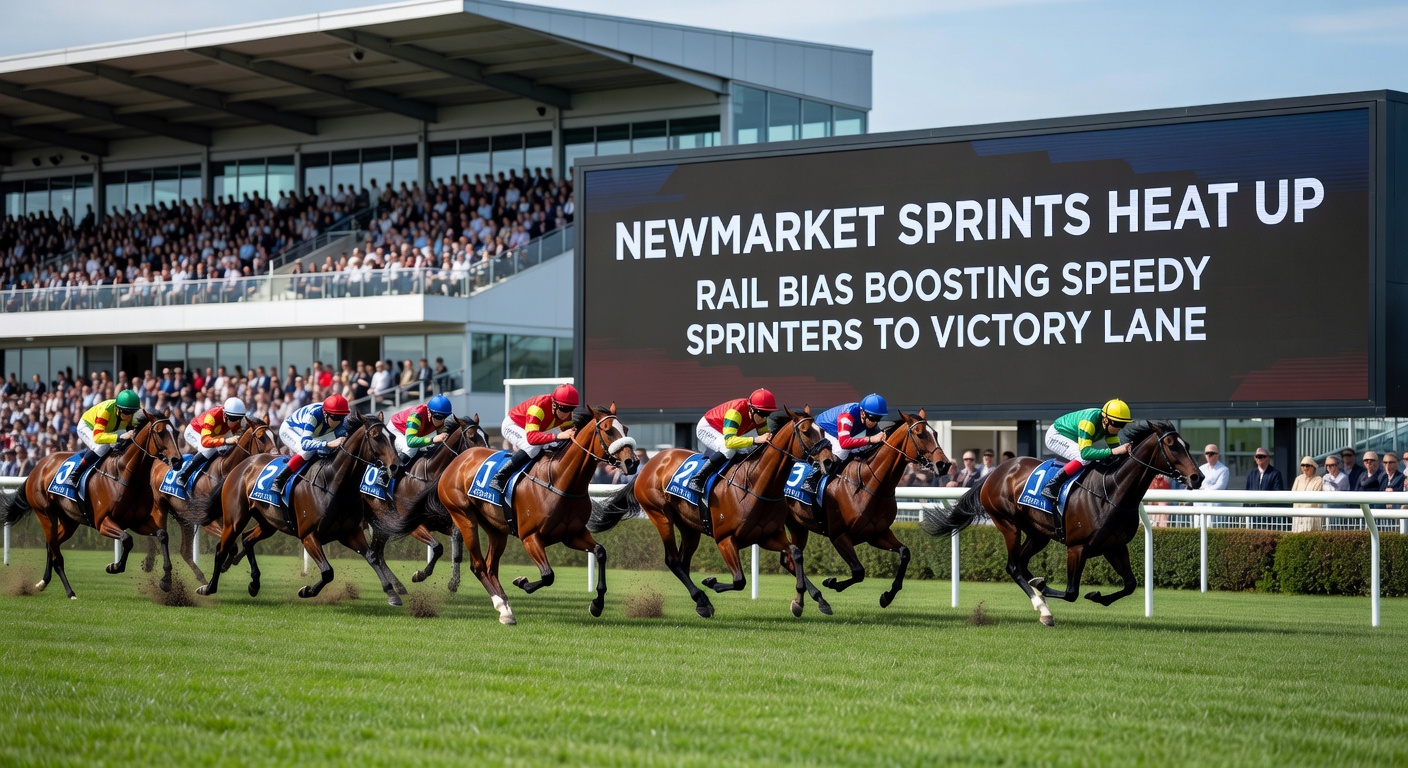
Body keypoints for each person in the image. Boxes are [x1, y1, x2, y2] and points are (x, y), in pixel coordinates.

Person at [685, 388, 778, 496]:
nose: (764, 418)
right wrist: (756, 440)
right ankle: (698, 478)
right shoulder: (735, 412)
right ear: (752, 409)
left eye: (768, 414)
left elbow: (765, 437)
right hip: (708, 427)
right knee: (728, 449)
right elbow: (729, 442)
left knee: (745, 449)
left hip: (727, 431)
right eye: (762, 413)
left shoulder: (759, 415)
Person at [490, 383, 580, 494]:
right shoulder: (538, 407)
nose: (566, 414)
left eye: (571, 409)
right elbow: (532, 438)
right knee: (532, 447)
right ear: (554, 404)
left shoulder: (568, 415)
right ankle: (500, 477)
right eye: (563, 408)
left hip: (535, 429)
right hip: (513, 425)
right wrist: (557, 436)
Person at [1040, 399, 1132, 501]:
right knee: (1083, 458)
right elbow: (1085, 454)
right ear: (1105, 420)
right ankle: (1052, 485)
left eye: (1123, 424)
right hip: (1056, 435)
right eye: (1117, 423)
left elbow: (1116, 451)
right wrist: (1113, 451)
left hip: (1071, 438)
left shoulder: (1110, 427)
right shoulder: (1089, 422)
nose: (1119, 428)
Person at [804, 393, 887, 494]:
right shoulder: (847, 415)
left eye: (878, 419)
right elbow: (844, 443)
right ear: (863, 413)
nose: (874, 422)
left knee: (864, 447)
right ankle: (813, 478)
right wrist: (870, 439)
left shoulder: (867, 417)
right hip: (820, 429)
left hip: (836, 434)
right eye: (872, 418)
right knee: (842, 450)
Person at [271, 394, 351, 494]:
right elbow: (305, 443)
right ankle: (279, 480)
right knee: (307, 451)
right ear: (325, 414)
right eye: (335, 417)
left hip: (316, 433)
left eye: (341, 417)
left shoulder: (344, 420)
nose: (338, 421)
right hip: (291, 429)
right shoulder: (314, 415)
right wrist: (328, 444)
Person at [69, 389, 142, 487]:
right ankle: (75, 475)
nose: (130, 417)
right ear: (118, 409)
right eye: (126, 412)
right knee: (101, 446)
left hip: (109, 429)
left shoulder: (133, 414)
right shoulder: (106, 410)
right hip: (89, 427)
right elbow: (98, 437)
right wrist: (120, 437)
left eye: (133, 413)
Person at [173, 397, 247, 485]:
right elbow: (205, 442)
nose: (237, 423)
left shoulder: (240, 420)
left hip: (218, 433)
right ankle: (184, 475)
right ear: (225, 415)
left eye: (240, 418)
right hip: (195, 431)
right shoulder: (211, 417)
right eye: (234, 419)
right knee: (209, 449)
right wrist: (225, 441)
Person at [389, 394, 453, 466]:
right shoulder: (416, 415)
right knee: (410, 449)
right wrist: (433, 439)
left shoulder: (440, 419)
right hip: (395, 430)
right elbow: (410, 441)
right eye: (438, 417)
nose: (441, 421)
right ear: (429, 412)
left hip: (411, 432)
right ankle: (391, 474)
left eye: (445, 417)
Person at [1291, 455, 1325, 532]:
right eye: (1303, 465)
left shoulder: (1318, 479)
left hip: (1311, 514)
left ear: (1313, 467)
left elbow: (1314, 495)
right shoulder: (1298, 479)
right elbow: (1293, 494)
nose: (1305, 468)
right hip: (1298, 512)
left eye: (1307, 465)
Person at [1194, 444, 1230, 509]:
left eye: (1211, 453)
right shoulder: (1201, 468)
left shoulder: (1224, 470)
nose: (1208, 455)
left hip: (1214, 506)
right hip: (1200, 505)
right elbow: (1196, 484)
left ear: (1217, 455)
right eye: (1206, 453)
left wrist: (1204, 490)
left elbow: (1220, 487)